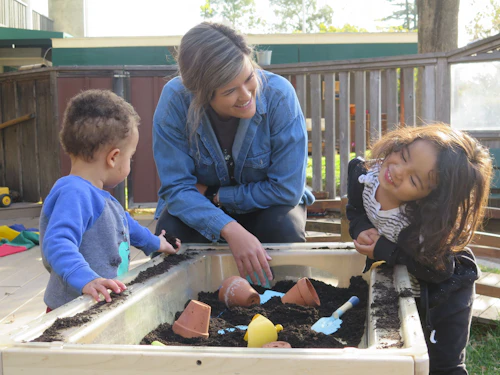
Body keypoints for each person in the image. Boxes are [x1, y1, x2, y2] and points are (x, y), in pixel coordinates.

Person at [153, 22, 314, 286]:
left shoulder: (280, 97)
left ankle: (289, 306)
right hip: (200, 210)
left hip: (266, 207)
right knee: (170, 233)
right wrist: (229, 228)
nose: (246, 95)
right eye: (230, 91)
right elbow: (178, 190)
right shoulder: (174, 102)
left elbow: (286, 190)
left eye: (249, 78)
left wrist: (215, 195)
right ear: (201, 95)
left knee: (284, 228)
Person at [346, 123, 492, 375]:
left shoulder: (422, 223)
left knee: (442, 362)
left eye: (413, 179)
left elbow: (439, 271)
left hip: (447, 283)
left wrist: (383, 249)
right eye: (403, 156)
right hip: (407, 270)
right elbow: (356, 210)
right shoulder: (364, 175)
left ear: (431, 199)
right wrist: (360, 228)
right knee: (405, 348)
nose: (398, 171)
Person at [40, 89, 180, 311]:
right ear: (114, 157)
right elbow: (57, 242)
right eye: (130, 156)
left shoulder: (100, 195)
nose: (130, 162)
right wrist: (86, 279)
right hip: (72, 308)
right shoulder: (74, 192)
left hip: (97, 302)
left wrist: (157, 243)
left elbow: (126, 227)